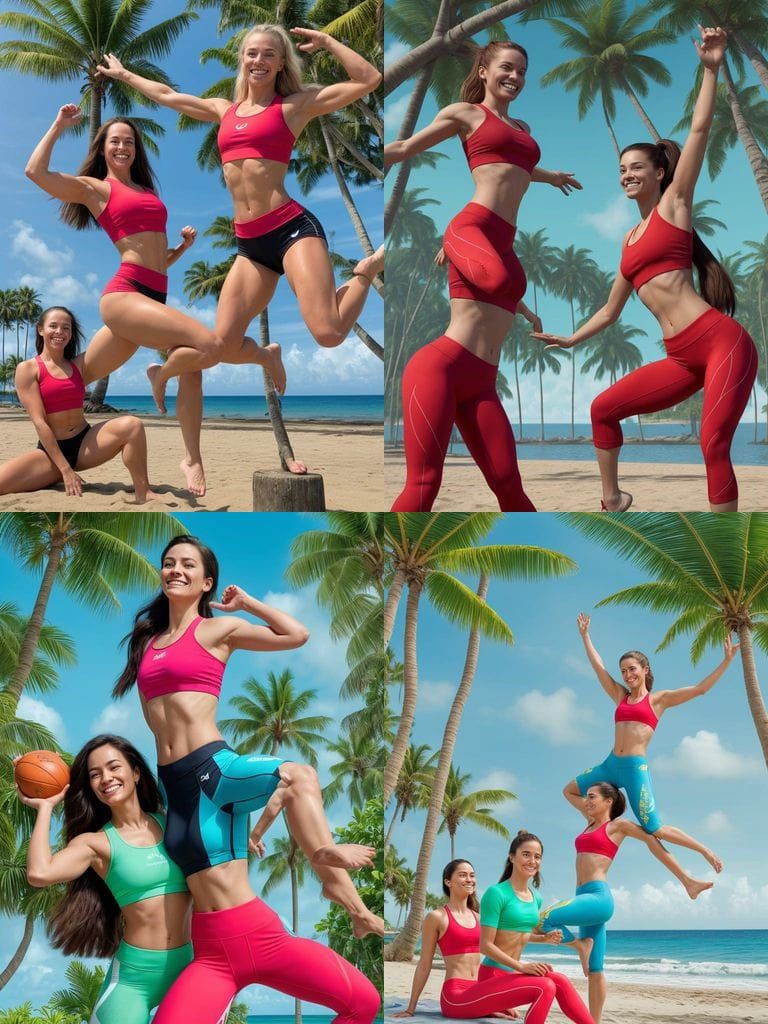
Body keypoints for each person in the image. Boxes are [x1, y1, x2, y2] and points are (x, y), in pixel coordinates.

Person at [113, 534, 381, 1024]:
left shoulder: (219, 631)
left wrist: (249, 602)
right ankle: (350, 902)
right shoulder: (148, 645)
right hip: (178, 790)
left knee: (298, 775)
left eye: (188, 565)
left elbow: (296, 635)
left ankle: (324, 858)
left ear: (206, 581)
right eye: (168, 563)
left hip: (213, 766)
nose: (175, 569)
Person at [98, 25, 383, 475]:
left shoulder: (295, 104)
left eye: (269, 55)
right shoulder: (223, 110)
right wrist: (125, 75)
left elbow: (368, 79)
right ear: (243, 60)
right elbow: (168, 96)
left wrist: (328, 43)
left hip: (291, 228)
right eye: (252, 53)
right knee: (220, 346)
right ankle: (267, 356)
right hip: (250, 245)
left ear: (281, 63)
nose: (259, 61)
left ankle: (364, 272)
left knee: (328, 334)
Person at [533, 26, 757, 512]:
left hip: (720, 342)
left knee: (713, 444)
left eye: (636, 167)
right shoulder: (629, 242)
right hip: (680, 357)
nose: (627, 175)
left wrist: (711, 68)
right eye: (621, 170)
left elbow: (699, 130)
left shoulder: (675, 206)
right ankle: (612, 498)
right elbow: (611, 311)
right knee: (602, 410)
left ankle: (726, 540)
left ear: (659, 172)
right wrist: (570, 340)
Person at [385, 39, 582, 511]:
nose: (514, 77)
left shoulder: (522, 128)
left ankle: (457, 248)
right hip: (441, 364)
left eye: (522, 71)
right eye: (506, 68)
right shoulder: (466, 114)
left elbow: (517, 167)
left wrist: (549, 175)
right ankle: (450, 241)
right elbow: (408, 146)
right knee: (423, 487)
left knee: (512, 492)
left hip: (482, 381)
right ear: (485, 70)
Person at [25, 107, 226, 496]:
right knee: (209, 345)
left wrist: (181, 249)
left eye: (129, 142)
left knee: (84, 373)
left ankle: (192, 457)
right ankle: (159, 375)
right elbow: (35, 173)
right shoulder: (96, 188)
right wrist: (58, 125)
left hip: (153, 292)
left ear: (137, 150)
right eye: (115, 141)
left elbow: (156, 257)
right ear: (103, 149)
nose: (122, 146)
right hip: (125, 294)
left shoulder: (147, 192)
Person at [16, 735, 193, 1024]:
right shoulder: (96, 844)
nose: (105, 778)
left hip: (188, 968)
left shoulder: (169, 822)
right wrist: (45, 808)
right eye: (95, 774)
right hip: (133, 981)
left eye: (113, 767)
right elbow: (40, 873)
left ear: (135, 773)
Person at [566, 612, 732, 867]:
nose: (627, 675)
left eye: (632, 669)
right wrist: (586, 637)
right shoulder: (620, 695)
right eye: (623, 671)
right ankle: (597, 819)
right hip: (610, 765)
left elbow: (701, 689)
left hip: (634, 769)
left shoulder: (659, 700)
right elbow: (598, 668)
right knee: (570, 790)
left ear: (645, 669)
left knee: (654, 827)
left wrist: (726, 660)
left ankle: (704, 851)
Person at [539, 783, 712, 1023]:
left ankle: (580, 946)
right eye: (586, 797)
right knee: (596, 970)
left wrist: (687, 878)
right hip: (584, 899)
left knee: (544, 918)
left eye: (592, 797)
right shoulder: (588, 820)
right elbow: (567, 790)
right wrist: (608, 774)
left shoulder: (618, 825)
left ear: (608, 800)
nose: (586, 801)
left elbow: (654, 842)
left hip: (598, 899)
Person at [0, 306, 159, 502]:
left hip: (86, 444)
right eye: (53, 326)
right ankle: (54, 474)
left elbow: (117, 336)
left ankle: (143, 491)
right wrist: (65, 470)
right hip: (50, 453)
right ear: (41, 329)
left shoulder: (79, 365)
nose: (60, 332)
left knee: (132, 425)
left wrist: (138, 308)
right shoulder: (28, 369)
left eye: (66, 328)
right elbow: (40, 422)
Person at [474, 832, 594, 1024]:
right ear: (512, 857)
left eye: (537, 856)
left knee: (560, 980)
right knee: (548, 984)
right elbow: (485, 946)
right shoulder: (496, 893)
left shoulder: (535, 897)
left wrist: (543, 939)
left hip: (512, 976)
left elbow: (519, 935)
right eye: (526, 854)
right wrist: (522, 966)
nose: (532, 861)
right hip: (492, 974)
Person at [393, 858, 527, 1020]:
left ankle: (489, 1008)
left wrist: (543, 939)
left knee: (520, 1001)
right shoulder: (437, 917)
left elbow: (502, 950)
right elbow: (424, 964)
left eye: (472, 875)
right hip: (455, 994)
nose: (469, 879)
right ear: (448, 882)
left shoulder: (480, 918)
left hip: (479, 990)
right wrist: (410, 1008)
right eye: (463, 875)